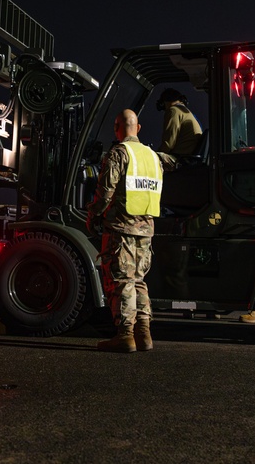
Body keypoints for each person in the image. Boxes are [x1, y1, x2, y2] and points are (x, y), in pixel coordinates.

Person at [85, 109, 163, 353]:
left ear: (117, 128)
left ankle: (125, 335)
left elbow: (106, 191)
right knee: (139, 280)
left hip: (122, 228)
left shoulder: (118, 154)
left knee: (122, 281)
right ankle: (144, 334)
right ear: (138, 128)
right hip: (146, 230)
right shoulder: (152, 156)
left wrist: (93, 214)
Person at [156, 88, 203, 157]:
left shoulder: (173, 111)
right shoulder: (185, 112)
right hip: (187, 156)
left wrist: (155, 155)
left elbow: (168, 143)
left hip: (180, 157)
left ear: (164, 103)